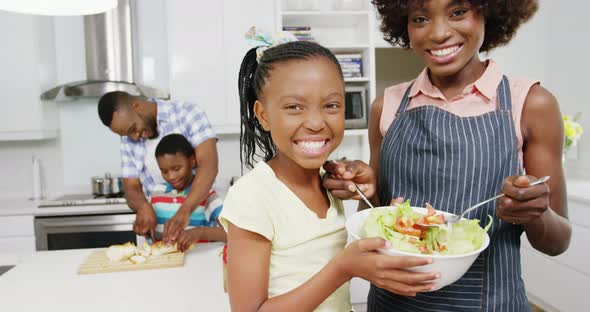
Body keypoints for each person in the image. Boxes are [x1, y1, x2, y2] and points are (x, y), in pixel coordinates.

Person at [322, 0, 571, 311]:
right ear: (404, 25)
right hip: (393, 303)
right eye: (420, 18)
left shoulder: (531, 104)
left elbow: (557, 242)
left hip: (491, 303)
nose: (438, 33)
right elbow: (374, 217)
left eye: (458, 12)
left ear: (489, 12)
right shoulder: (387, 105)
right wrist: (365, 188)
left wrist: (537, 212)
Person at [219, 30, 439, 312]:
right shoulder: (252, 196)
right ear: (263, 115)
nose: (315, 122)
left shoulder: (327, 182)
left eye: (331, 105)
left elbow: (359, 245)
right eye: (294, 107)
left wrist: (367, 191)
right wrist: (343, 269)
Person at [97, 91, 219, 245]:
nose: (134, 137)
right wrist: (142, 206)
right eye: (128, 134)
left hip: (201, 241)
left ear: (137, 105)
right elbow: (131, 188)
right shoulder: (128, 139)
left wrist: (184, 210)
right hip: (160, 243)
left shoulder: (187, 113)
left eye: (133, 128)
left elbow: (209, 166)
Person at [152, 133, 226, 251]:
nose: (171, 176)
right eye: (164, 171)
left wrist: (200, 233)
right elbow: (153, 233)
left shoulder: (207, 196)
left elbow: (232, 233)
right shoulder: (156, 193)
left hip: (198, 265)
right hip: (165, 265)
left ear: (192, 161)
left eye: (176, 169)